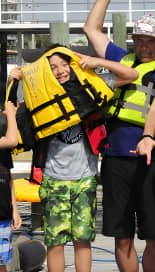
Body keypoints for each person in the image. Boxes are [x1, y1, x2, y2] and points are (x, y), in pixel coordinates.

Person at [83, 0, 155, 272]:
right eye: (139, 38)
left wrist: (147, 137)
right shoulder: (120, 59)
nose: (143, 44)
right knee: (121, 234)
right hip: (114, 158)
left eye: (150, 40)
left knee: (153, 233)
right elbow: (91, 30)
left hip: (150, 159)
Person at [8, 45, 138, 272]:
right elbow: (9, 111)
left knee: (83, 240)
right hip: (53, 179)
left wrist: (96, 62)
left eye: (64, 64)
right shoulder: (36, 98)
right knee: (55, 242)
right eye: (53, 67)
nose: (59, 71)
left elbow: (131, 75)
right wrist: (13, 80)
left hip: (85, 179)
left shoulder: (88, 87)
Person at [0, 101, 21, 272]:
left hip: (3, 215)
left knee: (2, 263)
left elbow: (8, 178)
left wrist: (14, 208)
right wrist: (11, 113)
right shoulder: (5, 141)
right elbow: (13, 140)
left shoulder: (3, 148)